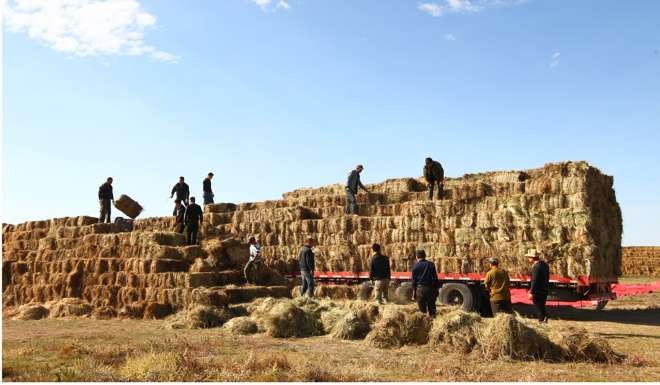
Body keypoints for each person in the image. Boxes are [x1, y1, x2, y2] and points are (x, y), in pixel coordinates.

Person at [411, 250, 439, 318]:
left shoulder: (415, 266)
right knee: (432, 310)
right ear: (425, 256)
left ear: (417, 257)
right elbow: (435, 278)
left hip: (420, 290)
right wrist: (436, 290)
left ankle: (425, 326)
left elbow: (414, 281)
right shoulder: (431, 264)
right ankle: (433, 323)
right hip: (430, 289)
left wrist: (414, 293)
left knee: (422, 311)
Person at [527, 249, 550, 323]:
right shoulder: (545, 265)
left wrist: (531, 291)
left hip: (537, 291)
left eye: (529, 257)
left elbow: (534, 280)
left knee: (538, 307)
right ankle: (544, 319)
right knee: (542, 306)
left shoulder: (536, 267)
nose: (528, 259)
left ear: (532, 258)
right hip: (544, 289)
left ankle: (541, 321)